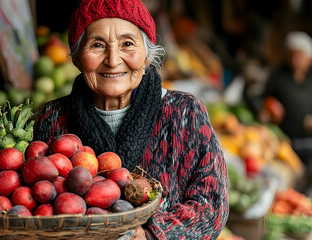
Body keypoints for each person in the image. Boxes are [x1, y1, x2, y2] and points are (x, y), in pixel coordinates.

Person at [33, 0, 229, 239]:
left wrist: (150, 235)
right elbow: (36, 200)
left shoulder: (184, 112)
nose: (113, 60)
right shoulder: (52, 118)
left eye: (127, 44)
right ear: (77, 57)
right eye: (97, 45)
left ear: (147, 55)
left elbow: (211, 205)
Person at [251, 31, 312, 201]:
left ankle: (311, 200)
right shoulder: (277, 75)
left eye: (300, 55)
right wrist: (262, 109)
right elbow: (256, 96)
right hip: (284, 137)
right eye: (292, 55)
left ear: (310, 57)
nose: (295, 60)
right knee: (287, 174)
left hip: (310, 139)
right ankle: (290, 199)